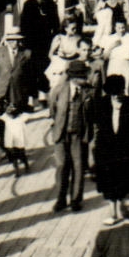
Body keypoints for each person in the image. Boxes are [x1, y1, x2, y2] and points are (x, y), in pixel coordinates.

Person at [90, 74, 129, 224]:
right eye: (114, 94)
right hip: (107, 152)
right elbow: (98, 128)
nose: (117, 97)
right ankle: (113, 214)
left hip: (127, 153)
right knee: (109, 184)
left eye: (120, 93)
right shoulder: (102, 104)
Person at [48, 59, 91, 213]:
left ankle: (75, 200)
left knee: (78, 167)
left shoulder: (87, 91)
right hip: (61, 134)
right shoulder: (59, 90)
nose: (85, 79)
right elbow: (52, 108)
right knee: (62, 167)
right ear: (74, 77)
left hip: (78, 134)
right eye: (82, 77)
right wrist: (59, 125)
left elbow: (91, 113)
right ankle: (60, 199)